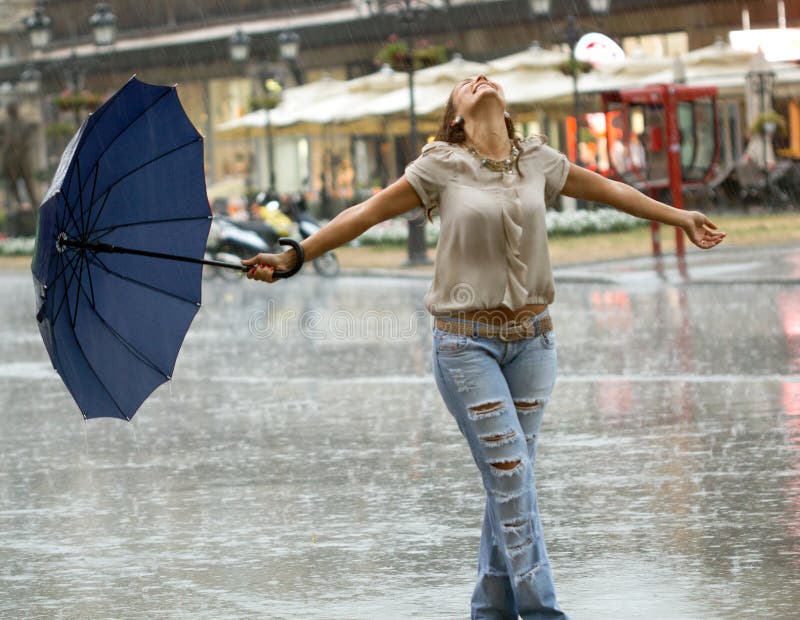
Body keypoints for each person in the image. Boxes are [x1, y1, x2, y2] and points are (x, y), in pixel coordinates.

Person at [241, 74, 725, 619]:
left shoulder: (538, 160)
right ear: (456, 115)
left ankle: (488, 612)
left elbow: (612, 191)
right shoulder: (439, 166)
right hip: (466, 347)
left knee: (509, 486)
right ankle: (544, 612)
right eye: (465, 83)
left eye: (485, 76)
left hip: (535, 344)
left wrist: (678, 216)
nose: (479, 79)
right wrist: (296, 256)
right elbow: (365, 213)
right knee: (513, 479)